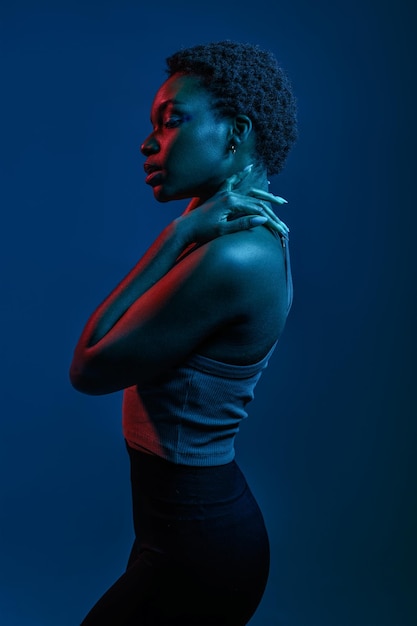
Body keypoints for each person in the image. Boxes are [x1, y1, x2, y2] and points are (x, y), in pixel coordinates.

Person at [70, 40, 298, 626]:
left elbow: (89, 367)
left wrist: (172, 237)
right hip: (178, 534)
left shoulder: (236, 257)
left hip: (200, 548)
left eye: (171, 123)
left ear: (234, 133)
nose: (149, 144)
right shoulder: (224, 240)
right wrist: (187, 230)